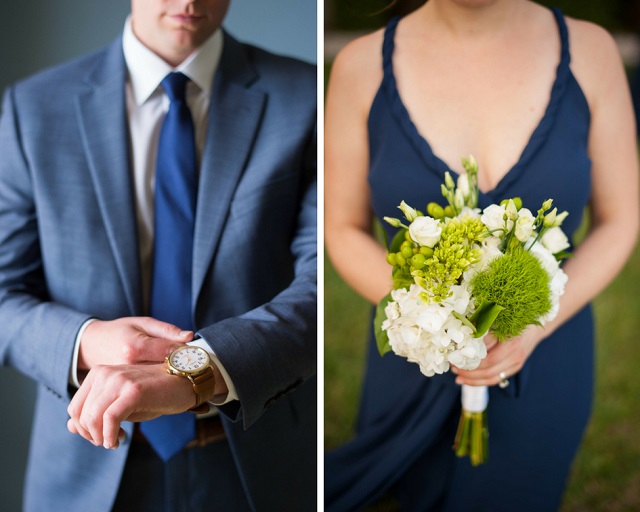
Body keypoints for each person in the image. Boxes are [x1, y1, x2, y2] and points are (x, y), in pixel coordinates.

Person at [0, 0, 317, 510]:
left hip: (260, 462)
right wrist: (86, 341)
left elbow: (321, 284)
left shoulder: (304, 97)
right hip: (85, 464)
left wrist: (200, 372)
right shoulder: (32, 108)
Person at [324, 0, 638, 510]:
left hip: (547, 350)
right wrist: (437, 318)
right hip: (416, 355)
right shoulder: (360, 66)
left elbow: (620, 220)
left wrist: (533, 327)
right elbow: (341, 228)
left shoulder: (592, 52)